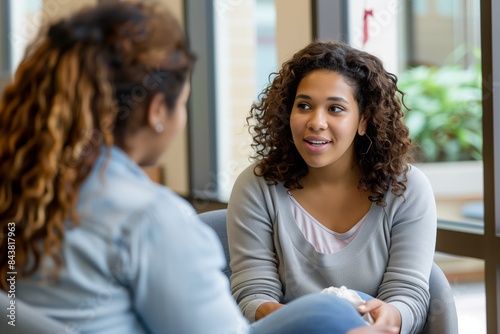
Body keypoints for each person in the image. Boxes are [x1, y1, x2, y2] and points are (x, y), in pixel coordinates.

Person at [0, 2, 399, 334]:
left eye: (336, 108)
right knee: (335, 312)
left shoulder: (21, 187)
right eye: (184, 100)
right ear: (158, 111)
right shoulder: (151, 218)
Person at [227, 40, 437, 334]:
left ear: (364, 120)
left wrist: (387, 318)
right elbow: (252, 294)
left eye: (335, 109)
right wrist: (309, 321)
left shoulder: (406, 189)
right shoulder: (257, 187)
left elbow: (408, 295)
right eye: (304, 106)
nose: (316, 122)